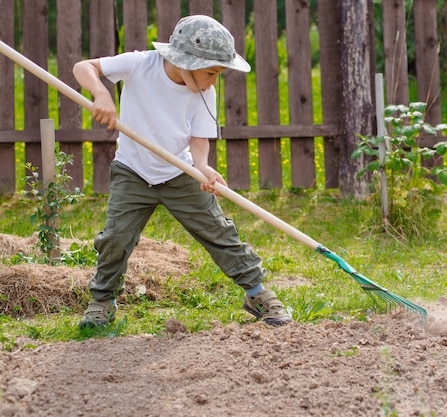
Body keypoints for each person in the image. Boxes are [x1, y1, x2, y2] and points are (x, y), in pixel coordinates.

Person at [72, 15, 292, 328]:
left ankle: (256, 293)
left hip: (179, 172)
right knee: (115, 238)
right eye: (212, 72)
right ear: (186, 62)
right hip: (132, 171)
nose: (215, 80)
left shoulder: (204, 92)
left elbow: (199, 137)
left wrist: (201, 167)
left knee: (219, 232)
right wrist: (102, 94)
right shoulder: (140, 65)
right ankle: (102, 301)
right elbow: (85, 67)